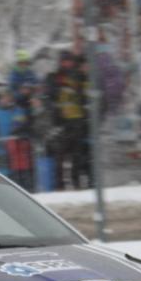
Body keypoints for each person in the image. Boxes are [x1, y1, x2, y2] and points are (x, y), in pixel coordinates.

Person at [45, 50, 89, 189]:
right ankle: (60, 186)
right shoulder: (54, 77)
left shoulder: (79, 77)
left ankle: (76, 183)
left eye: (69, 61)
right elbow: (49, 96)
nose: (67, 64)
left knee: (77, 156)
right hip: (61, 122)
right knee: (60, 156)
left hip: (77, 121)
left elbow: (85, 96)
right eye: (64, 61)